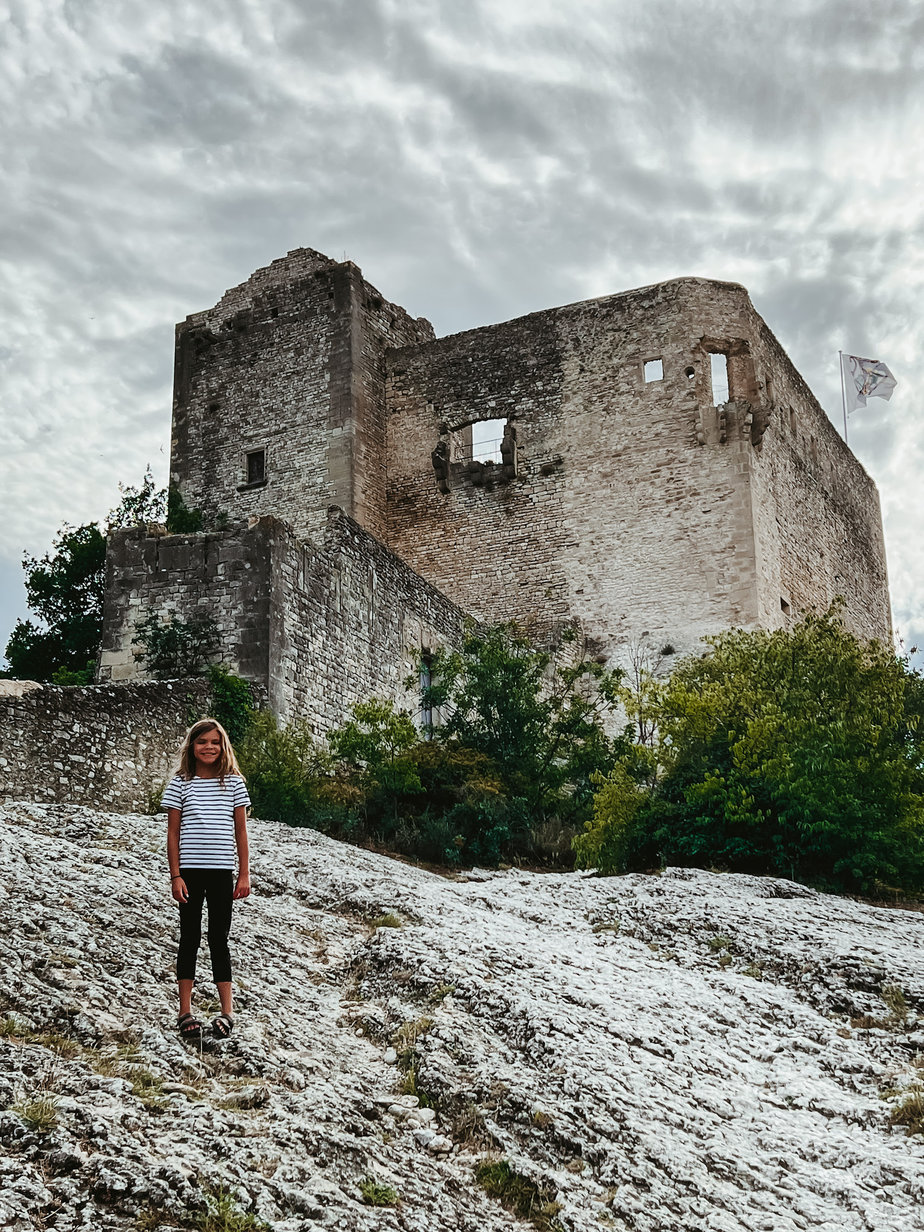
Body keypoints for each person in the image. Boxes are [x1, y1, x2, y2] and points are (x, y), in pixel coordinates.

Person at [162, 718, 251, 1042]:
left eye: (215, 741)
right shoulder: (180, 783)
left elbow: (241, 831)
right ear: (192, 746)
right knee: (189, 938)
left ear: (222, 745)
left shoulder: (233, 783)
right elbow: (172, 833)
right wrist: (175, 876)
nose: (209, 747)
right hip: (189, 872)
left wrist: (244, 873)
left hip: (221, 873)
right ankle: (185, 1011)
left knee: (218, 938)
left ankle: (227, 1012)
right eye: (202, 742)